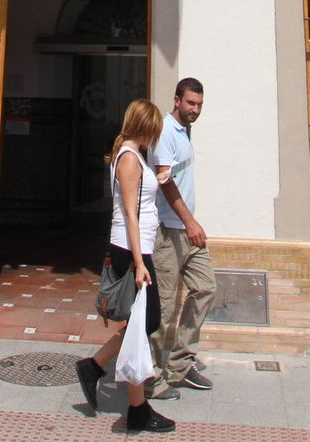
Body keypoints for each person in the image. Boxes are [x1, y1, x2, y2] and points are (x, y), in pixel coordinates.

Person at [75, 98, 175, 434]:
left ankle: (95, 367)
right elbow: (130, 213)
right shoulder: (129, 158)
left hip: (136, 249)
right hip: (131, 251)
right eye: (153, 130)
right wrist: (139, 262)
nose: (155, 136)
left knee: (142, 323)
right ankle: (136, 408)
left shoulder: (135, 155)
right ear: (145, 126)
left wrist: (159, 179)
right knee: (145, 322)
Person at [148, 78, 215, 400]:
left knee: (206, 287)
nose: (195, 110)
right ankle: (150, 378)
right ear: (176, 100)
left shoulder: (185, 130)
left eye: (199, 104)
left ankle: (180, 364)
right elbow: (165, 180)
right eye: (190, 103)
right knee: (161, 308)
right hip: (169, 231)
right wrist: (190, 222)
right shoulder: (165, 131)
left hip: (187, 231)